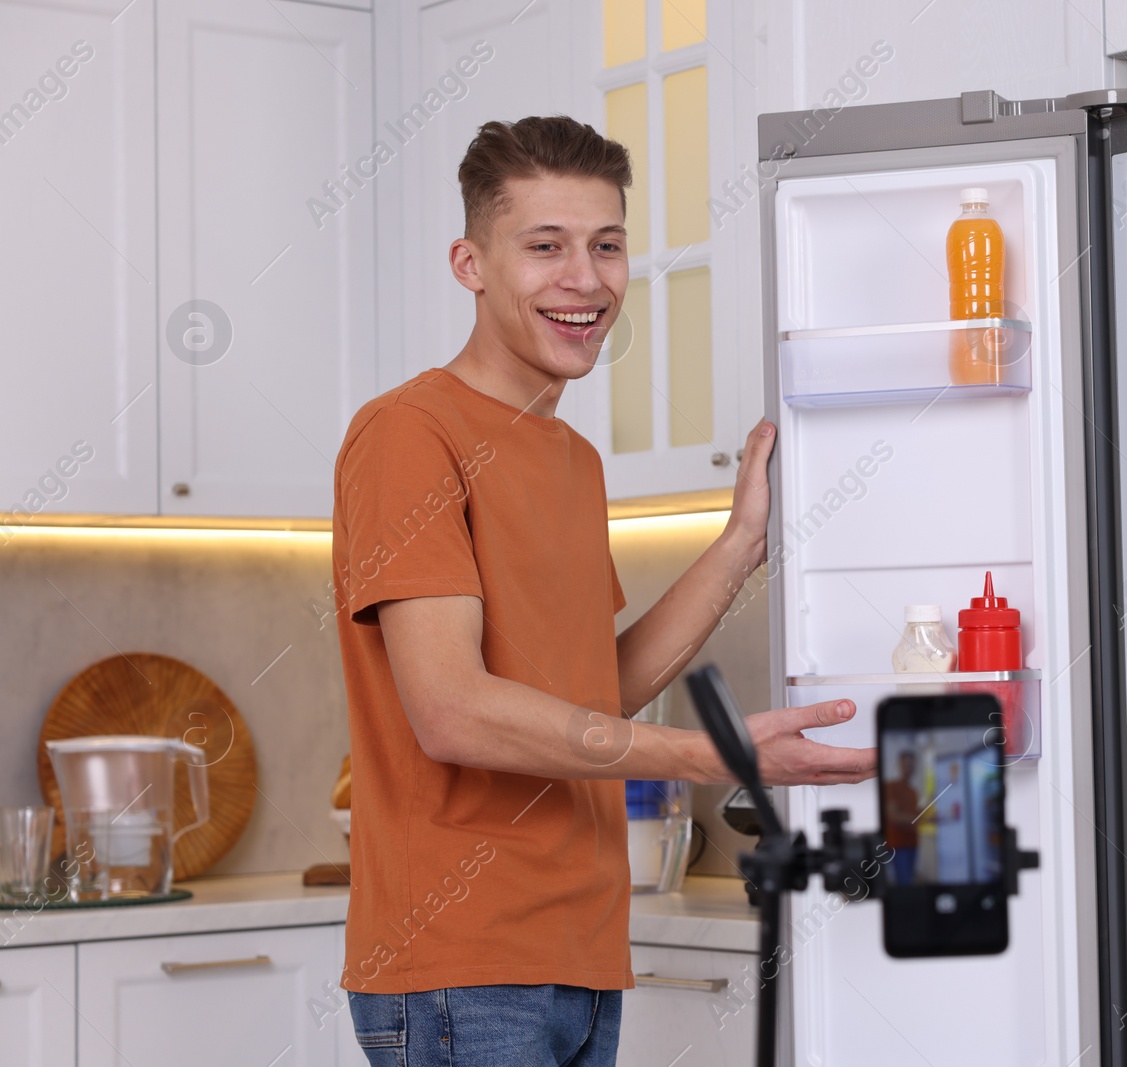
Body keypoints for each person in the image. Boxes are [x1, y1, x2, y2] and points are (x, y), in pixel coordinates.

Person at [331, 115, 874, 1067]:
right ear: (471, 262)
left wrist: (743, 541)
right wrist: (706, 754)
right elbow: (452, 713)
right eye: (545, 247)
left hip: (579, 954)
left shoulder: (573, 459)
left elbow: (592, 692)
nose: (584, 279)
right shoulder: (410, 434)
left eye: (607, 245)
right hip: (462, 962)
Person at [881, 749, 922, 885]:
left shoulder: (913, 791)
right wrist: (917, 818)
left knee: (908, 880)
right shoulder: (891, 787)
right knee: (904, 883)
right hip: (897, 846)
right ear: (900, 765)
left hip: (912, 844)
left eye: (911, 765)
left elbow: (915, 814)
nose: (909, 768)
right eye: (906, 764)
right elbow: (893, 816)